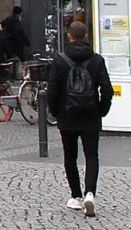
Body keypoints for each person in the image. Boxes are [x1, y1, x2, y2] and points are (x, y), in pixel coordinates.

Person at [42, 19, 114, 216]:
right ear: (86, 36)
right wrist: (102, 110)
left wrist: (55, 111)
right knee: (92, 155)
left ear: (69, 36)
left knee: (70, 155)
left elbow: (53, 90)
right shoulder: (97, 59)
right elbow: (107, 89)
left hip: (67, 114)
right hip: (90, 114)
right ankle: (90, 192)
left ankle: (76, 196)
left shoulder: (60, 60)